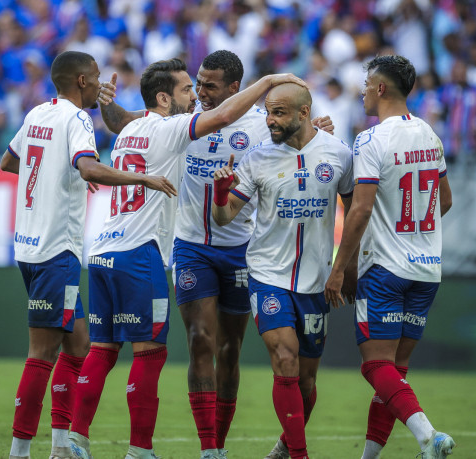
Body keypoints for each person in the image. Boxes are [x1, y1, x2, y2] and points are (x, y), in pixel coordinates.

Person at [95, 50, 334, 459]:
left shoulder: (263, 126)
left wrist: (319, 129)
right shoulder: (179, 122)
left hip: (242, 250)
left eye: (210, 85)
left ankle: (220, 440)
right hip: (190, 247)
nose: (201, 92)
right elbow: (126, 125)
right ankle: (210, 450)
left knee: (229, 350)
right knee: (200, 339)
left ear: (234, 88)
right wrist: (107, 104)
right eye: (197, 83)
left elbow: (308, 143)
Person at [0, 51, 176, 459]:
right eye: (95, 77)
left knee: (78, 345)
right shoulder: (77, 119)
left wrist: (56, 173)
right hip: (55, 249)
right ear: (81, 81)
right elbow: (90, 168)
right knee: (41, 352)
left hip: (27, 245)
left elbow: (10, 161)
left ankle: (63, 447)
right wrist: (142, 177)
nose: (100, 85)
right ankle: (19, 451)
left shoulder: (36, 113)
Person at [212, 83, 355, 459]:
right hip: (267, 275)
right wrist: (221, 194)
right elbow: (224, 219)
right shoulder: (257, 159)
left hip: (315, 280)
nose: (269, 120)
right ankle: (299, 455)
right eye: (268, 112)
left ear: (304, 113)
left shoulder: (338, 154)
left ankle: (283, 446)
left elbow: (357, 215)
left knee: (306, 383)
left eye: (277, 113)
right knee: (285, 358)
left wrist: (346, 267)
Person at [323, 55, 455, 459]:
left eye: (366, 84)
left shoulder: (371, 139)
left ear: (380, 88)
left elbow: (359, 210)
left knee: (375, 366)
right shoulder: (430, 135)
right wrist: (409, 227)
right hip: (427, 269)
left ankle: (428, 437)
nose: (362, 91)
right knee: (394, 373)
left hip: (386, 269)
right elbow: (444, 201)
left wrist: (340, 267)